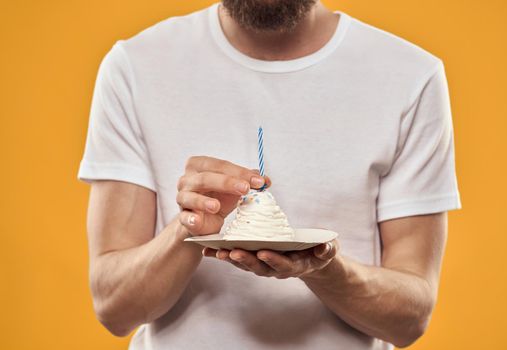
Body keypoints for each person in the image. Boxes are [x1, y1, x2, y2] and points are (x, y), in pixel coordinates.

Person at [78, 0, 461, 349]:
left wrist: (324, 269)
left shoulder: (410, 77)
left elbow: (410, 319)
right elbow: (114, 308)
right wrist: (188, 229)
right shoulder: (136, 66)